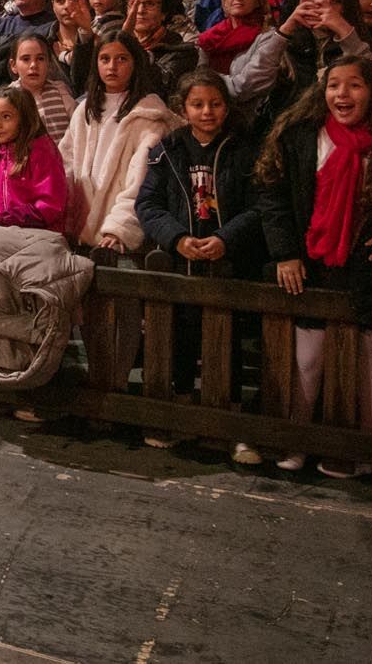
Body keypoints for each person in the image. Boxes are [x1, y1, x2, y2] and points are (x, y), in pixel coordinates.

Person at [256, 56, 372, 477]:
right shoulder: (300, 135)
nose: (342, 95)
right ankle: (299, 443)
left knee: (369, 354)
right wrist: (285, 252)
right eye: (334, 85)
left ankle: (366, 451)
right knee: (307, 358)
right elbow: (273, 195)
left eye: (354, 86)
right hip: (311, 262)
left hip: (365, 264)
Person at [136, 69, 265, 459]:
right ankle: (179, 415)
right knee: (179, 338)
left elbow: (261, 205)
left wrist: (227, 239)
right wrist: (177, 238)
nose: (207, 111)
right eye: (197, 104)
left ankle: (231, 424)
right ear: (183, 108)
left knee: (227, 345)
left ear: (227, 107)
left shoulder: (245, 148)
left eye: (215, 103)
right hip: (181, 261)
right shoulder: (168, 149)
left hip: (230, 262)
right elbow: (148, 204)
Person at [63, 30, 178, 255]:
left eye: (122, 59)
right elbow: (65, 165)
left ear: (135, 63)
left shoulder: (148, 116)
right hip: (78, 232)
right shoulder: (84, 111)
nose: (112, 66)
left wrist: (119, 228)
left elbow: (141, 182)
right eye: (105, 59)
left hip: (116, 241)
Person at [0, 86, 68, 236]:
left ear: (24, 119)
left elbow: (50, 207)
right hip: (6, 231)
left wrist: (4, 219)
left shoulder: (42, 152)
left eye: (6, 117)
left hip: (39, 235)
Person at [121, 0, 198, 85]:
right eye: (133, 4)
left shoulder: (182, 51)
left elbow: (162, 83)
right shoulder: (114, 42)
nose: (140, 10)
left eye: (150, 4)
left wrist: (130, 46)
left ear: (164, 13)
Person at [8, 32, 75, 145]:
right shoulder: (9, 98)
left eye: (40, 58)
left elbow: (77, 127)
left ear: (49, 63)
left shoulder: (60, 91)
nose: (33, 65)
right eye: (26, 59)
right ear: (14, 65)